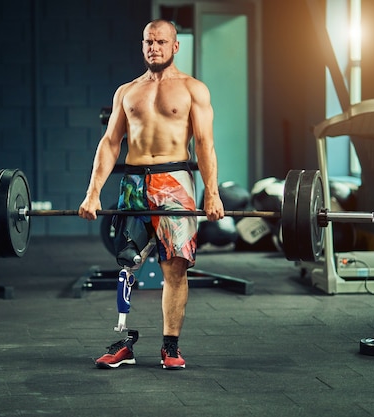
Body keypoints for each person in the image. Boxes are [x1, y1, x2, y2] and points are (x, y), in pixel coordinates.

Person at [78, 19, 224, 370]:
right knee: (127, 262)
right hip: (133, 182)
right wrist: (93, 192)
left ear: (175, 46)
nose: (153, 47)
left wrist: (212, 193)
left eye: (160, 41)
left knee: (174, 267)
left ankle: (170, 347)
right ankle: (123, 340)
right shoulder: (127, 91)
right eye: (148, 41)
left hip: (175, 181)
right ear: (142, 45)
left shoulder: (193, 90)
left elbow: (204, 144)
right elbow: (110, 143)